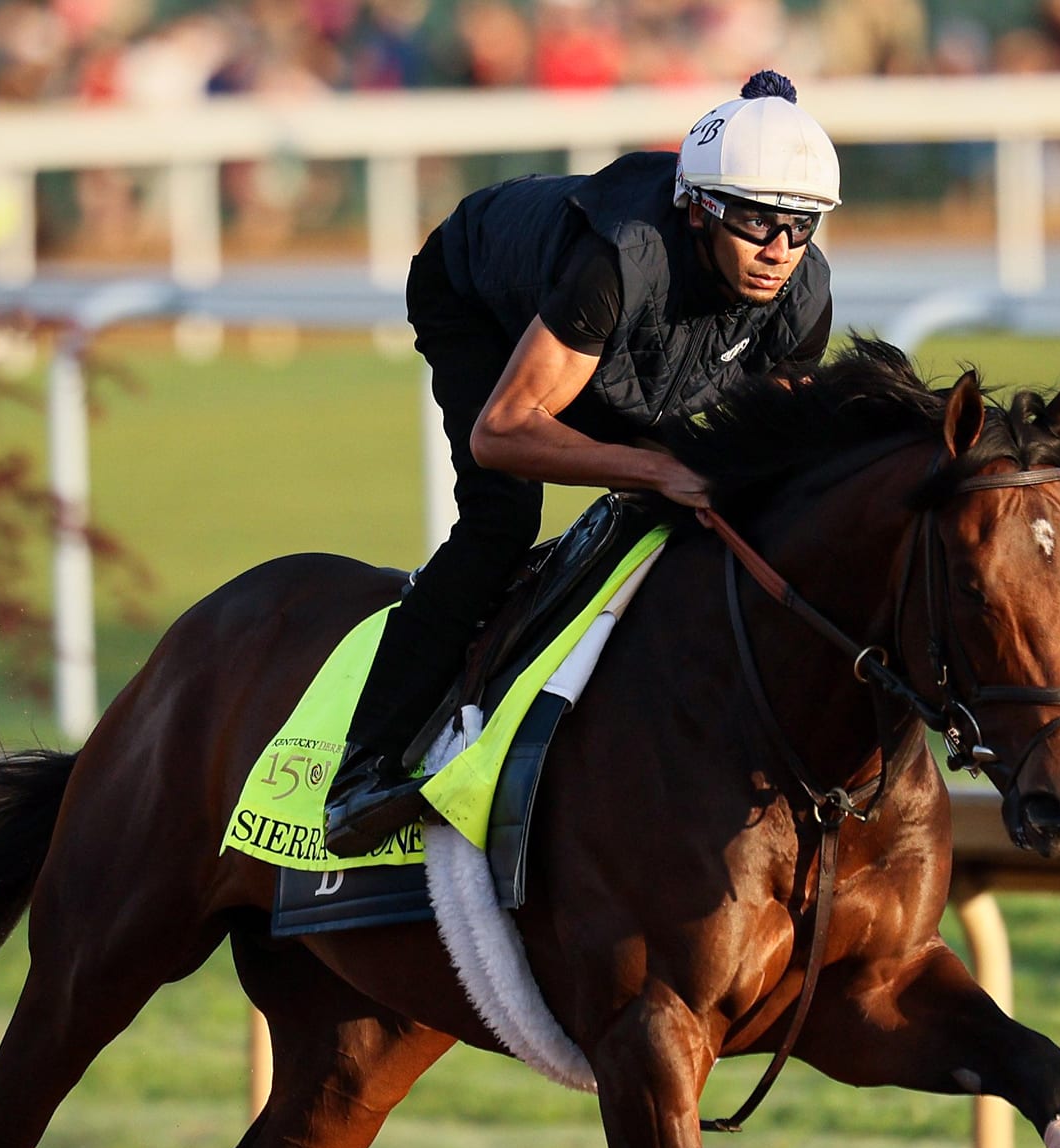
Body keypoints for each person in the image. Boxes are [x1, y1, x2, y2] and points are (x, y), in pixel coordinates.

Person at [321, 69, 840, 857]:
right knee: (503, 520)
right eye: (756, 222)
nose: (780, 251)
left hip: (615, 344)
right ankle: (364, 765)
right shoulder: (619, 261)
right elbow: (502, 432)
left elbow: (778, 461)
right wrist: (656, 469)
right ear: (698, 208)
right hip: (480, 299)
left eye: (800, 226)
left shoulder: (802, 295)